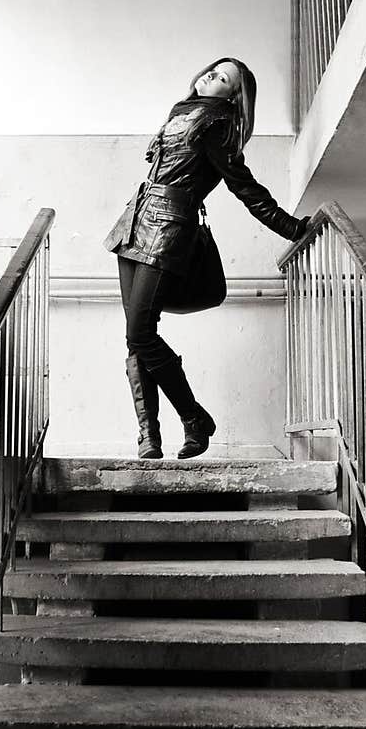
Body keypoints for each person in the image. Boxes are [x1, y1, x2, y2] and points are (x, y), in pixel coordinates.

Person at [104, 58, 311, 460]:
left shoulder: (219, 123)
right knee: (135, 337)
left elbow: (244, 186)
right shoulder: (181, 111)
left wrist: (290, 228)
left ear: (234, 95)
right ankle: (149, 437)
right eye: (212, 70)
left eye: (223, 78)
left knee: (141, 332)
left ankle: (194, 418)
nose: (210, 76)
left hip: (167, 228)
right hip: (133, 222)